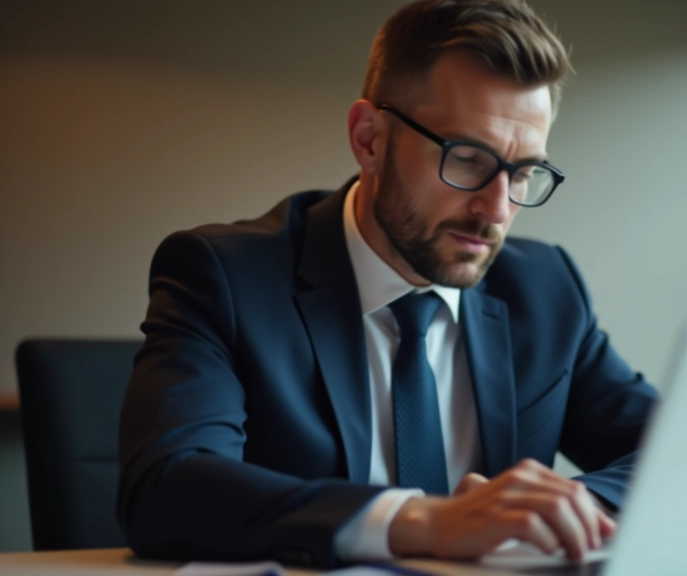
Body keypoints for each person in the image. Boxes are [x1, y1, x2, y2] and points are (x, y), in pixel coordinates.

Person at [117, 0, 659, 569]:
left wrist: (570, 506)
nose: (496, 209)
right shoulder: (226, 278)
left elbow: (681, 453)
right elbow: (162, 489)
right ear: (369, 138)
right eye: (468, 159)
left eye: (523, 172)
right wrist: (421, 520)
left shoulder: (545, 289)